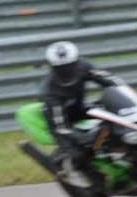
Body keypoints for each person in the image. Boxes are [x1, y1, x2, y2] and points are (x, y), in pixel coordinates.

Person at [40, 40, 123, 187]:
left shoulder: (84, 66)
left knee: (113, 119)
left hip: (80, 108)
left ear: (76, 62)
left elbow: (109, 79)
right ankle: (74, 171)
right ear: (52, 67)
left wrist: (126, 93)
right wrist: (79, 138)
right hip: (61, 120)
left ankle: (115, 151)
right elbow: (60, 126)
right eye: (61, 68)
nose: (67, 71)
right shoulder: (50, 91)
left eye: (70, 66)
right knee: (78, 151)